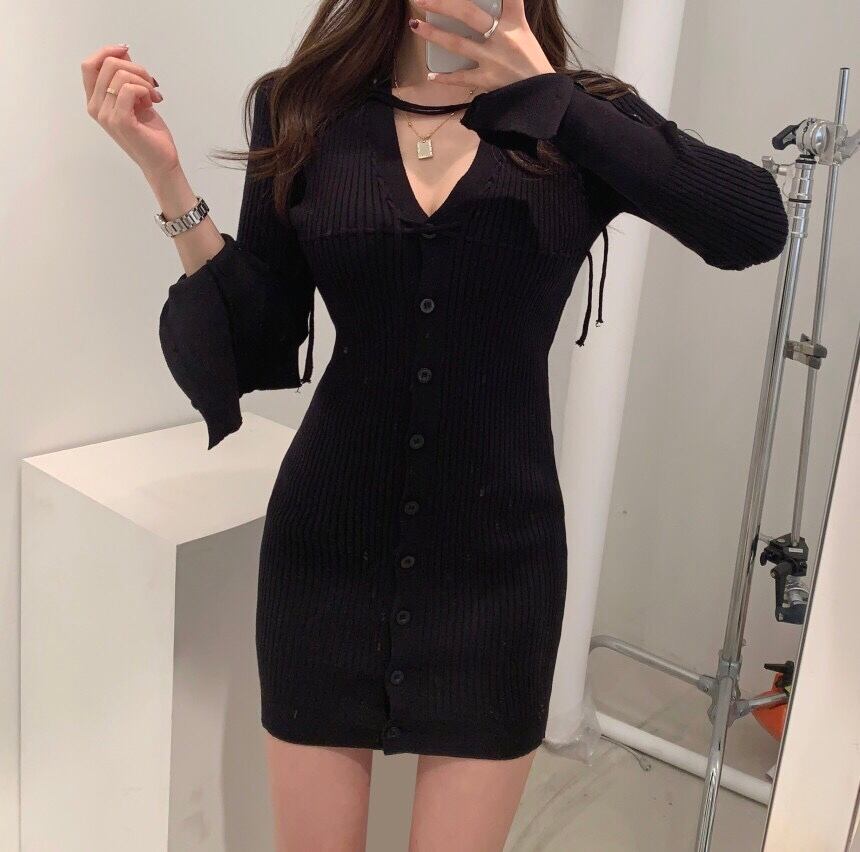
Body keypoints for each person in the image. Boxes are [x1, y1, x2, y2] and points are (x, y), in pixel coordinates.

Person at [80, 0, 788, 848]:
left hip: (500, 574)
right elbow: (261, 338)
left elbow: (752, 225)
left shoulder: (577, 114)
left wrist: (556, 102)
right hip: (325, 561)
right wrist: (167, 179)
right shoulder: (305, 105)